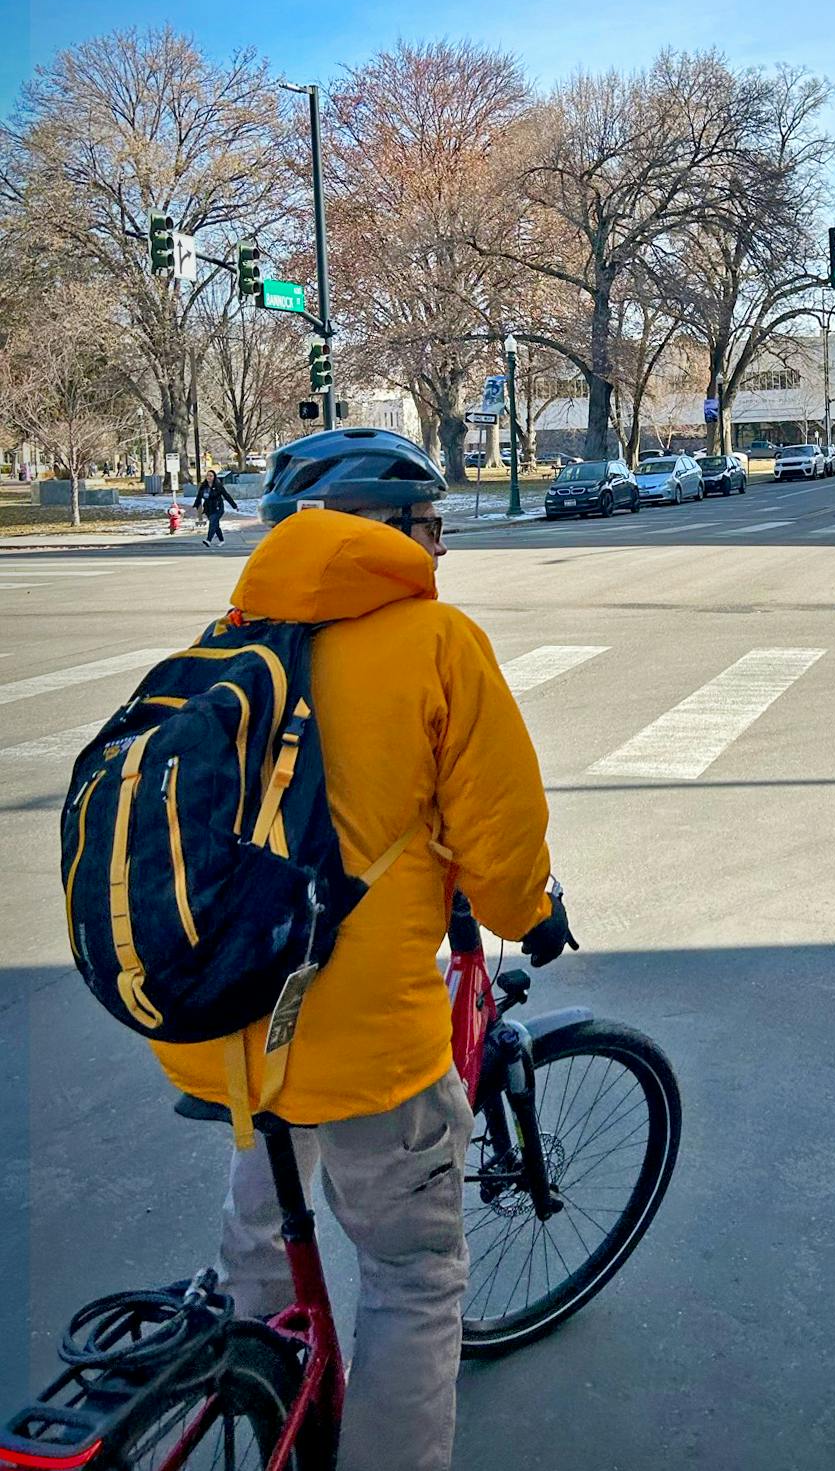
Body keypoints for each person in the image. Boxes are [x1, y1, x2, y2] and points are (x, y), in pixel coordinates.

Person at [150, 426, 575, 1471]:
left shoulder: (231, 638)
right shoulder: (436, 640)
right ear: (382, 526)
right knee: (416, 1271)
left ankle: (257, 1386)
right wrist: (533, 911)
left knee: (262, 1223)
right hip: (363, 1042)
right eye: (431, 526)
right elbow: (503, 843)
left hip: (225, 1018)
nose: (440, 549)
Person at [193, 467, 239, 546]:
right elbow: (199, 496)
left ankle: (208, 540)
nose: (209, 477)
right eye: (207, 476)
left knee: (212, 522)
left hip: (218, 508)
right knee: (215, 525)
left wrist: (234, 506)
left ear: (214, 477)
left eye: (211, 476)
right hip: (208, 508)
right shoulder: (204, 486)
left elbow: (226, 496)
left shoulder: (218, 486)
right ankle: (222, 540)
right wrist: (196, 505)